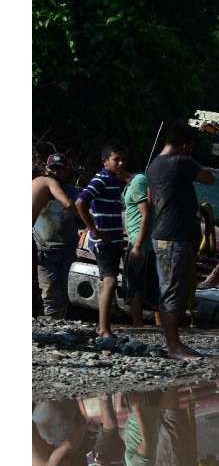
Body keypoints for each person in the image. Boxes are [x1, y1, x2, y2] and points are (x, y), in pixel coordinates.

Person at [146, 120, 214, 360]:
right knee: (173, 291)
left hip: (163, 234)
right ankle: (174, 346)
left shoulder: (153, 166)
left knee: (173, 289)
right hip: (176, 236)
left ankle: (174, 343)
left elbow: (151, 198)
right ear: (186, 145)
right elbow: (208, 178)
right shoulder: (181, 162)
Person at [76, 145, 129, 341]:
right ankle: (105, 330)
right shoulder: (101, 179)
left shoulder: (115, 180)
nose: (121, 163)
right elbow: (80, 202)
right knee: (110, 281)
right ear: (105, 162)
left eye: (123, 159)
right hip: (104, 241)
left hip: (114, 240)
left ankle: (103, 327)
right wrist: (93, 229)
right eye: (116, 160)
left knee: (107, 281)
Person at [33, 154, 79, 318]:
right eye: (53, 168)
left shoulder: (75, 193)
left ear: (67, 171)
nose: (57, 172)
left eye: (61, 169)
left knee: (66, 292)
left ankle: (59, 325)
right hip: (44, 248)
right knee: (49, 292)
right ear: (47, 169)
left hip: (68, 249)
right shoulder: (44, 186)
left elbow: (82, 213)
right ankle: (51, 325)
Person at [123, 170, 160, 326]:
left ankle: (137, 325)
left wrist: (137, 246)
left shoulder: (138, 181)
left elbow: (145, 213)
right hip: (144, 241)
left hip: (140, 242)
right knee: (151, 288)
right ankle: (161, 328)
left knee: (134, 285)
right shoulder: (132, 184)